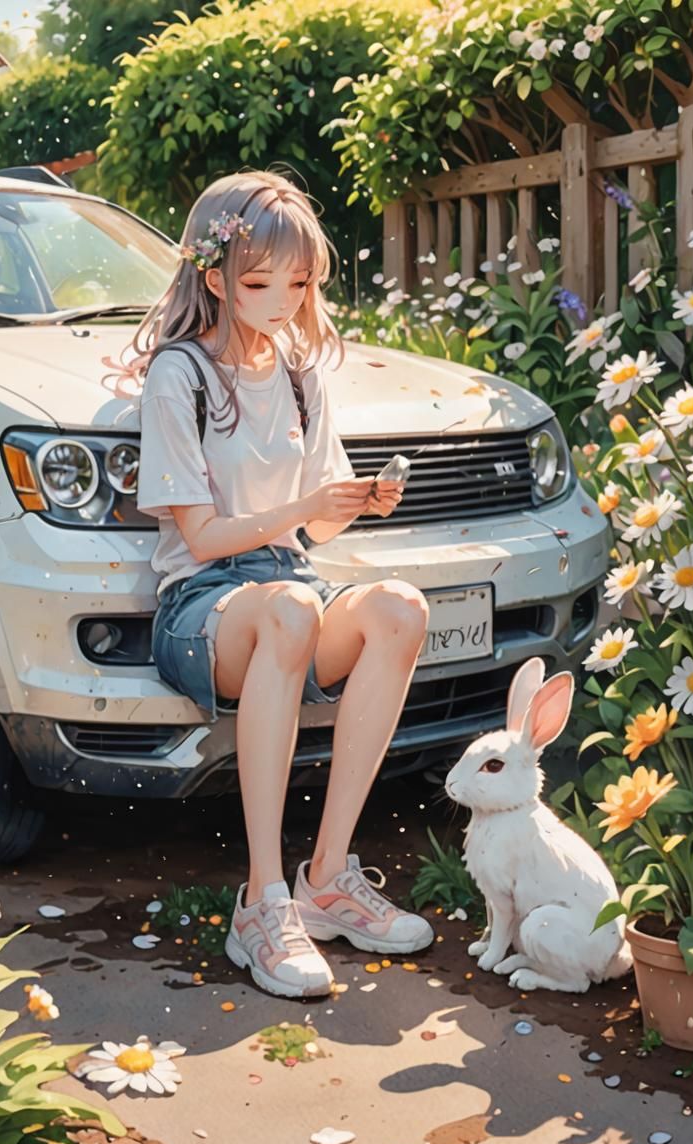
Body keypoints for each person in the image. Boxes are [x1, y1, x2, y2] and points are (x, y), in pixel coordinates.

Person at [135, 169, 433, 999]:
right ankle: (263, 903)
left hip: (288, 589)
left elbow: (317, 529)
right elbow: (199, 536)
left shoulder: (303, 374)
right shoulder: (180, 376)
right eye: (262, 281)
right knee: (293, 605)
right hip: (202, 606)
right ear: (214, 276)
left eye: (299, 282)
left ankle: (328, 880)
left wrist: (358, 502)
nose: (283, 298)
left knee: (399, 609)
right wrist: (302, 506)